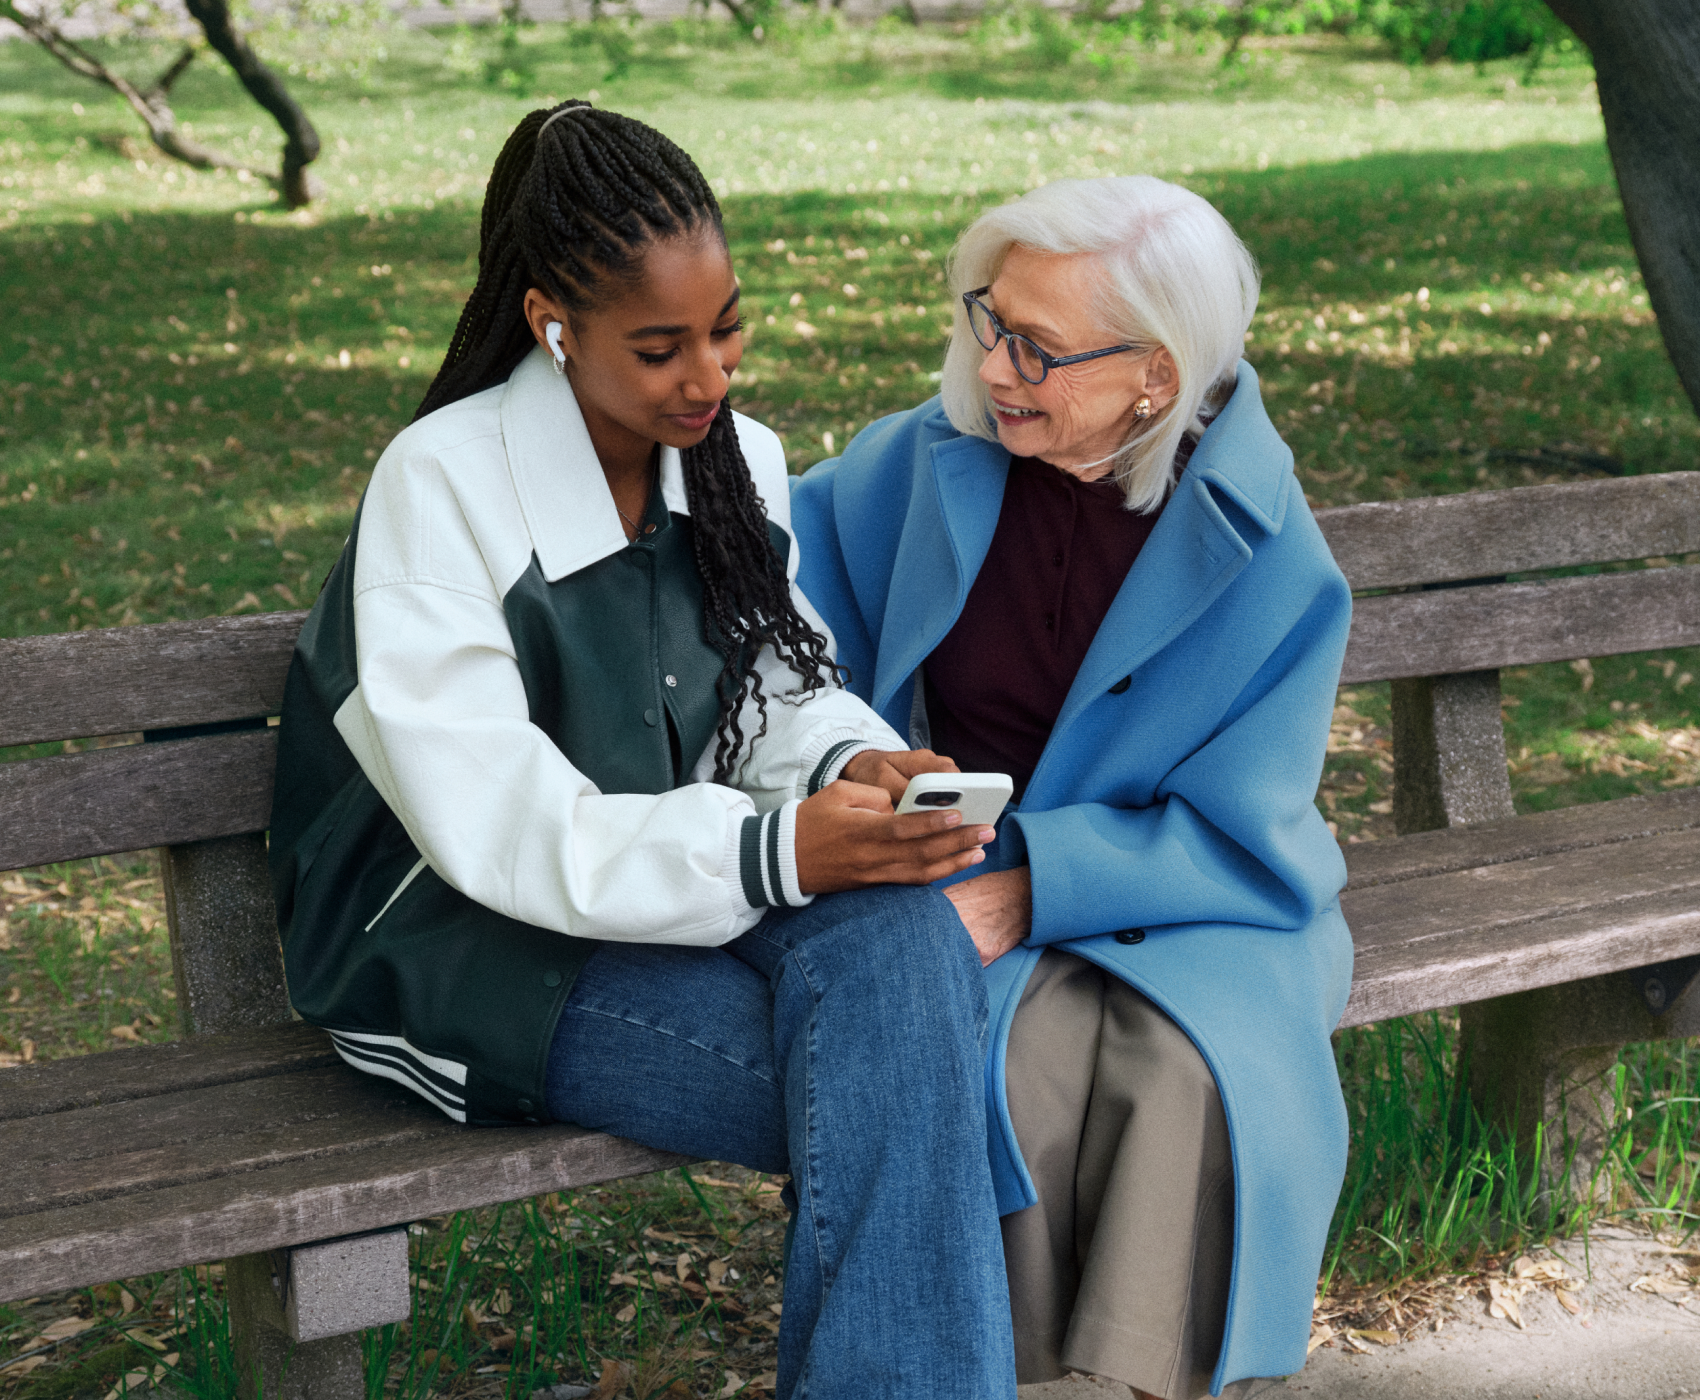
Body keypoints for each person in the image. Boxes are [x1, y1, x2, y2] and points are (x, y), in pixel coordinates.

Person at [266, 101, 1019, 1400]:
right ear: (553, 324)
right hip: (463, 941)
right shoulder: (440, 485)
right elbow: (500, 824)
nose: (711, 377)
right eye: (662, 347)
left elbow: (783, 688)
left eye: (726, 329)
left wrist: (846, 766)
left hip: (690, 872)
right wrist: (777, 846)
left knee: (902, 952)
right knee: (912, 1066)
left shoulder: (735, 461)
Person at [789, 175, 1355, 1400]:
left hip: (1197, 899)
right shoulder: (920, 464)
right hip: (952, 873)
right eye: (987, 321)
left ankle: (1119, 1381)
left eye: (1037, 350)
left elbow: (1246, 826)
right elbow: (776, 602)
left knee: (1176, 1061)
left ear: (1155, 372)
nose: (995, 369)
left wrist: (1032, 886)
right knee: (1011, 1058)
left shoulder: (1261, 542)